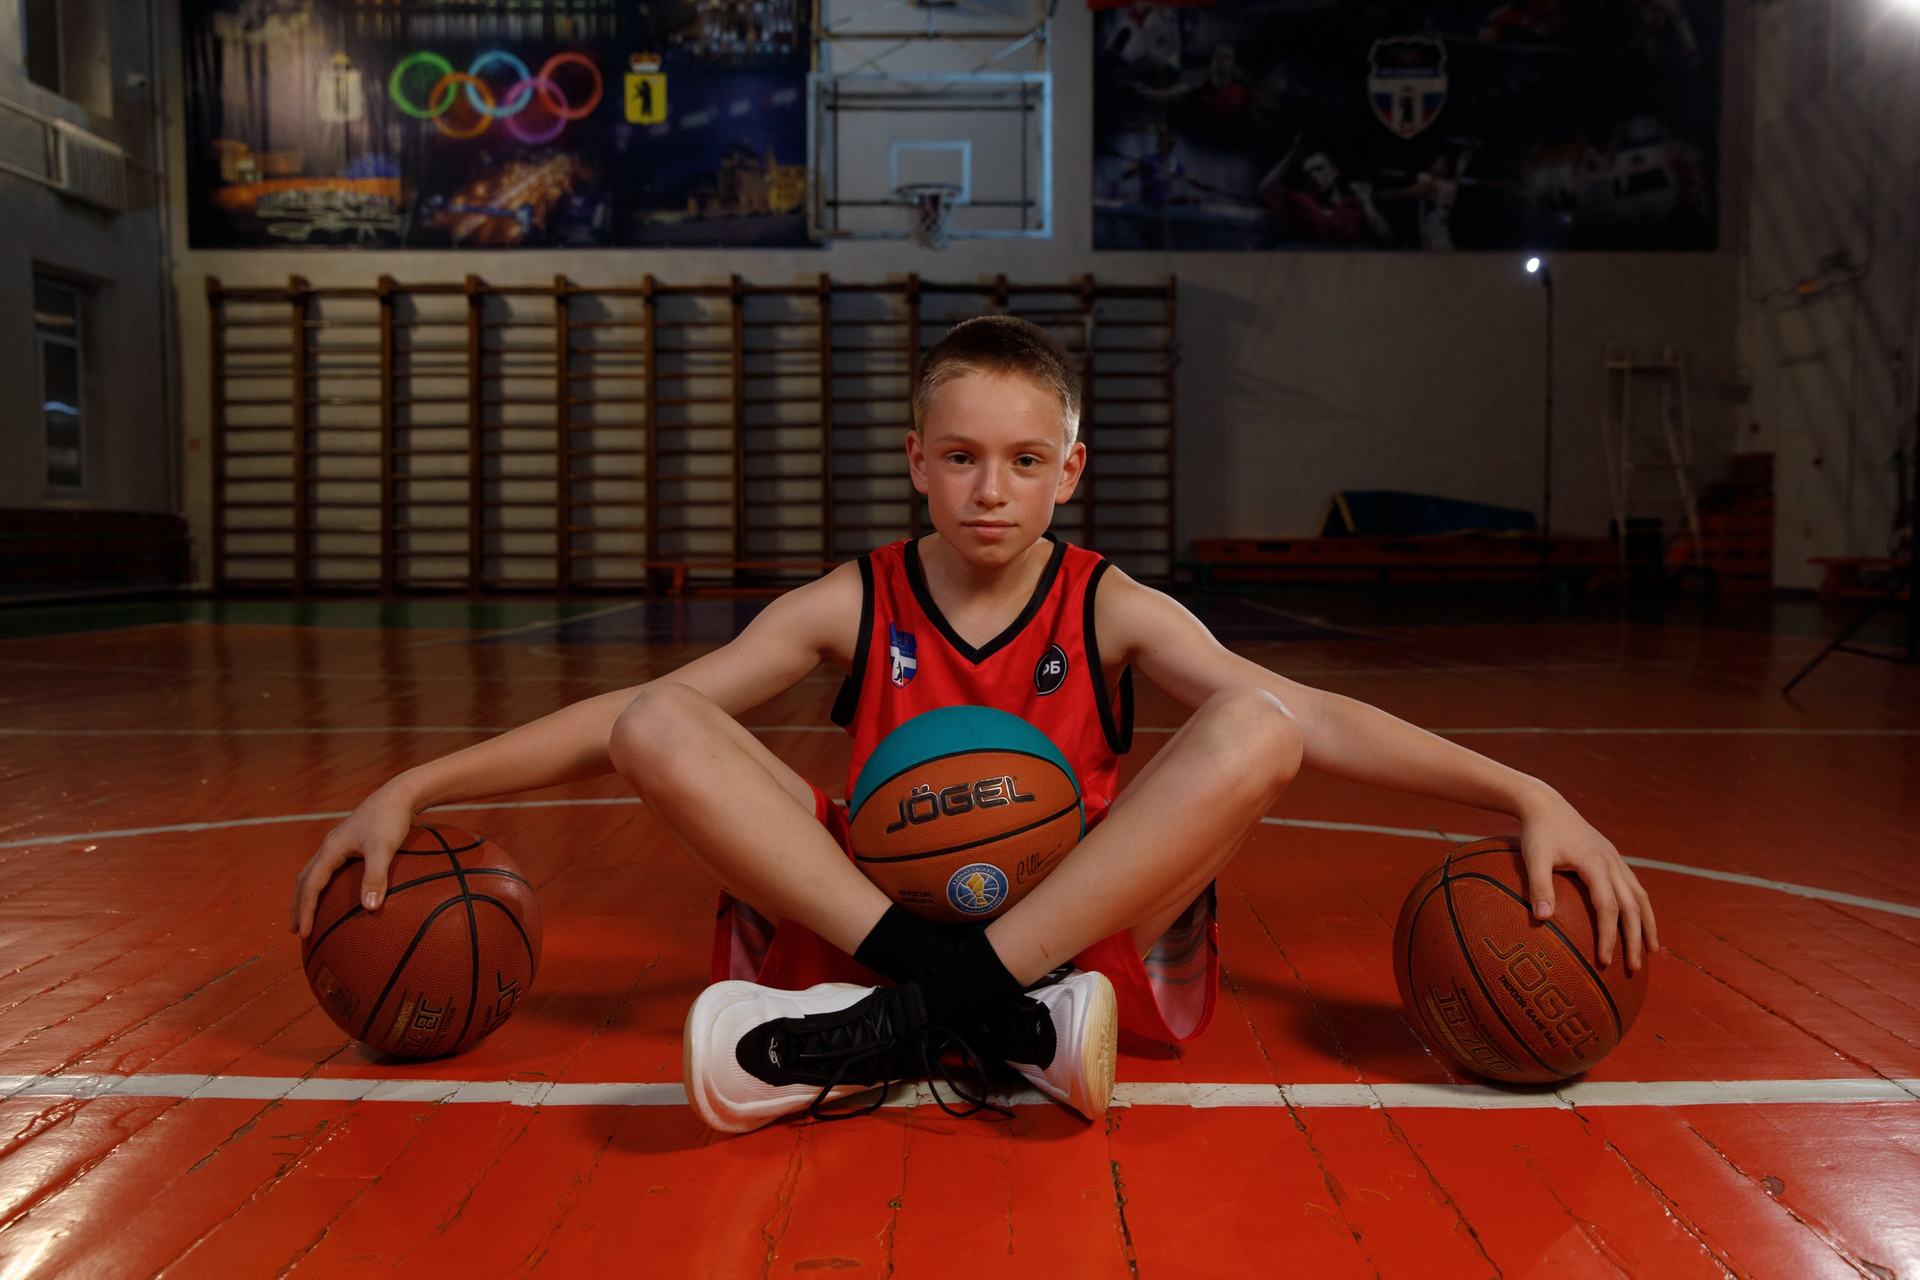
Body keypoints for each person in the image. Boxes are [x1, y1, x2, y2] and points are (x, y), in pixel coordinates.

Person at [289, 317, 1658, 1135]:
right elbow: (625, 726)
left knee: (1253, 720)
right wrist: (419, 783)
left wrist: (1521, 791)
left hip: (1070, 916)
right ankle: (986, 1019)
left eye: (1021, 460)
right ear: (916, 464)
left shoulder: (1107, 604)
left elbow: (1318, 719)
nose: (989, 490)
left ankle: (895, 1026)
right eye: (959, 458)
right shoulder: (856, 598)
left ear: (1070, 471)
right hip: (884, 910)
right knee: (662, 716)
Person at [1258, 134, 1391, 245]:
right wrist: (1293, 154)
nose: (1314, 176)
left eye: (1319, 169)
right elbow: (1267, 190)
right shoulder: (1304, 202)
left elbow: (1386, 239)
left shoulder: (1355, 203)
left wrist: (1367, 204)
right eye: (1308, 174)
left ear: (1335, 171)